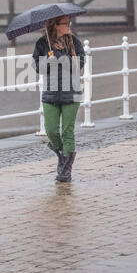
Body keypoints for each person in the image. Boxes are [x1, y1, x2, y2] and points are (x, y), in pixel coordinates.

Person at [32, 15, 85, 183]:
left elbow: (80, 63)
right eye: (66, 23)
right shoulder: (42, 43)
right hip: (51, 94)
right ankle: (63, 157)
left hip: (72, 92)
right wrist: (49, 61)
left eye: (70, 22)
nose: (70, 25)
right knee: (52, 131)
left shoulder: (73, 42)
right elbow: (36, 67)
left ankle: (65, 170)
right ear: (56, 26)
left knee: (67, 131)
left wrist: (63, 59)